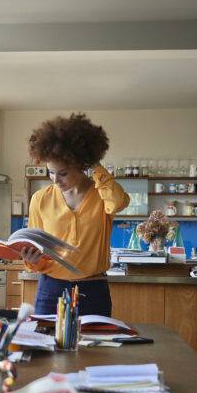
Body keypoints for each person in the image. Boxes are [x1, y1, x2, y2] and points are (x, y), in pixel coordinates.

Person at [21, 113, 129, 317]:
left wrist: (93, 163)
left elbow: (119, 202)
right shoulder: (39, 199)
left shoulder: (102, 196)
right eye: (50, 172)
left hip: (93, 290)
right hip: (50, 290)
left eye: (62, 173)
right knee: (47, 348)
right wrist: (33, 260)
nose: (55, 180)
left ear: (81, 166)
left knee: (95, 349)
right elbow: (37, 251)